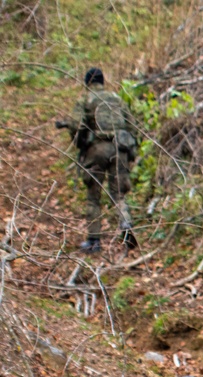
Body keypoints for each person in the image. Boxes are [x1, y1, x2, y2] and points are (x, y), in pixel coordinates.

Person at [65, 67, 140, 254]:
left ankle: (94, 241)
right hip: (120, 149)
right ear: (102, 81)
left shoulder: (86, 99)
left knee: (93, 196)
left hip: (97, 149)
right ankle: (126, 224)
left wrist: (80, 142)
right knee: (119, 194)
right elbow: (132, 126)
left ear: (87, 82)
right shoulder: (117, 99)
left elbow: (76, 125)